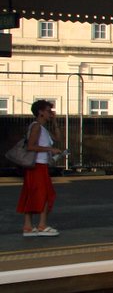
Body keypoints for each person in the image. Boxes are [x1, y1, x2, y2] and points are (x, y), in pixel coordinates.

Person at [18, 99, 63, 237]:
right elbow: (31, 146)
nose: (51, 113)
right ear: (40, 112)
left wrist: (55, 122)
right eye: (48, 111)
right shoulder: (36, 127)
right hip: (37, 165)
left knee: (33, 194)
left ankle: (28, 226)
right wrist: (50, 149)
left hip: (39, 165)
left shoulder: (42, 128)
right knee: (46, 194)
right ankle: (42, 225)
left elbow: (58, 138)